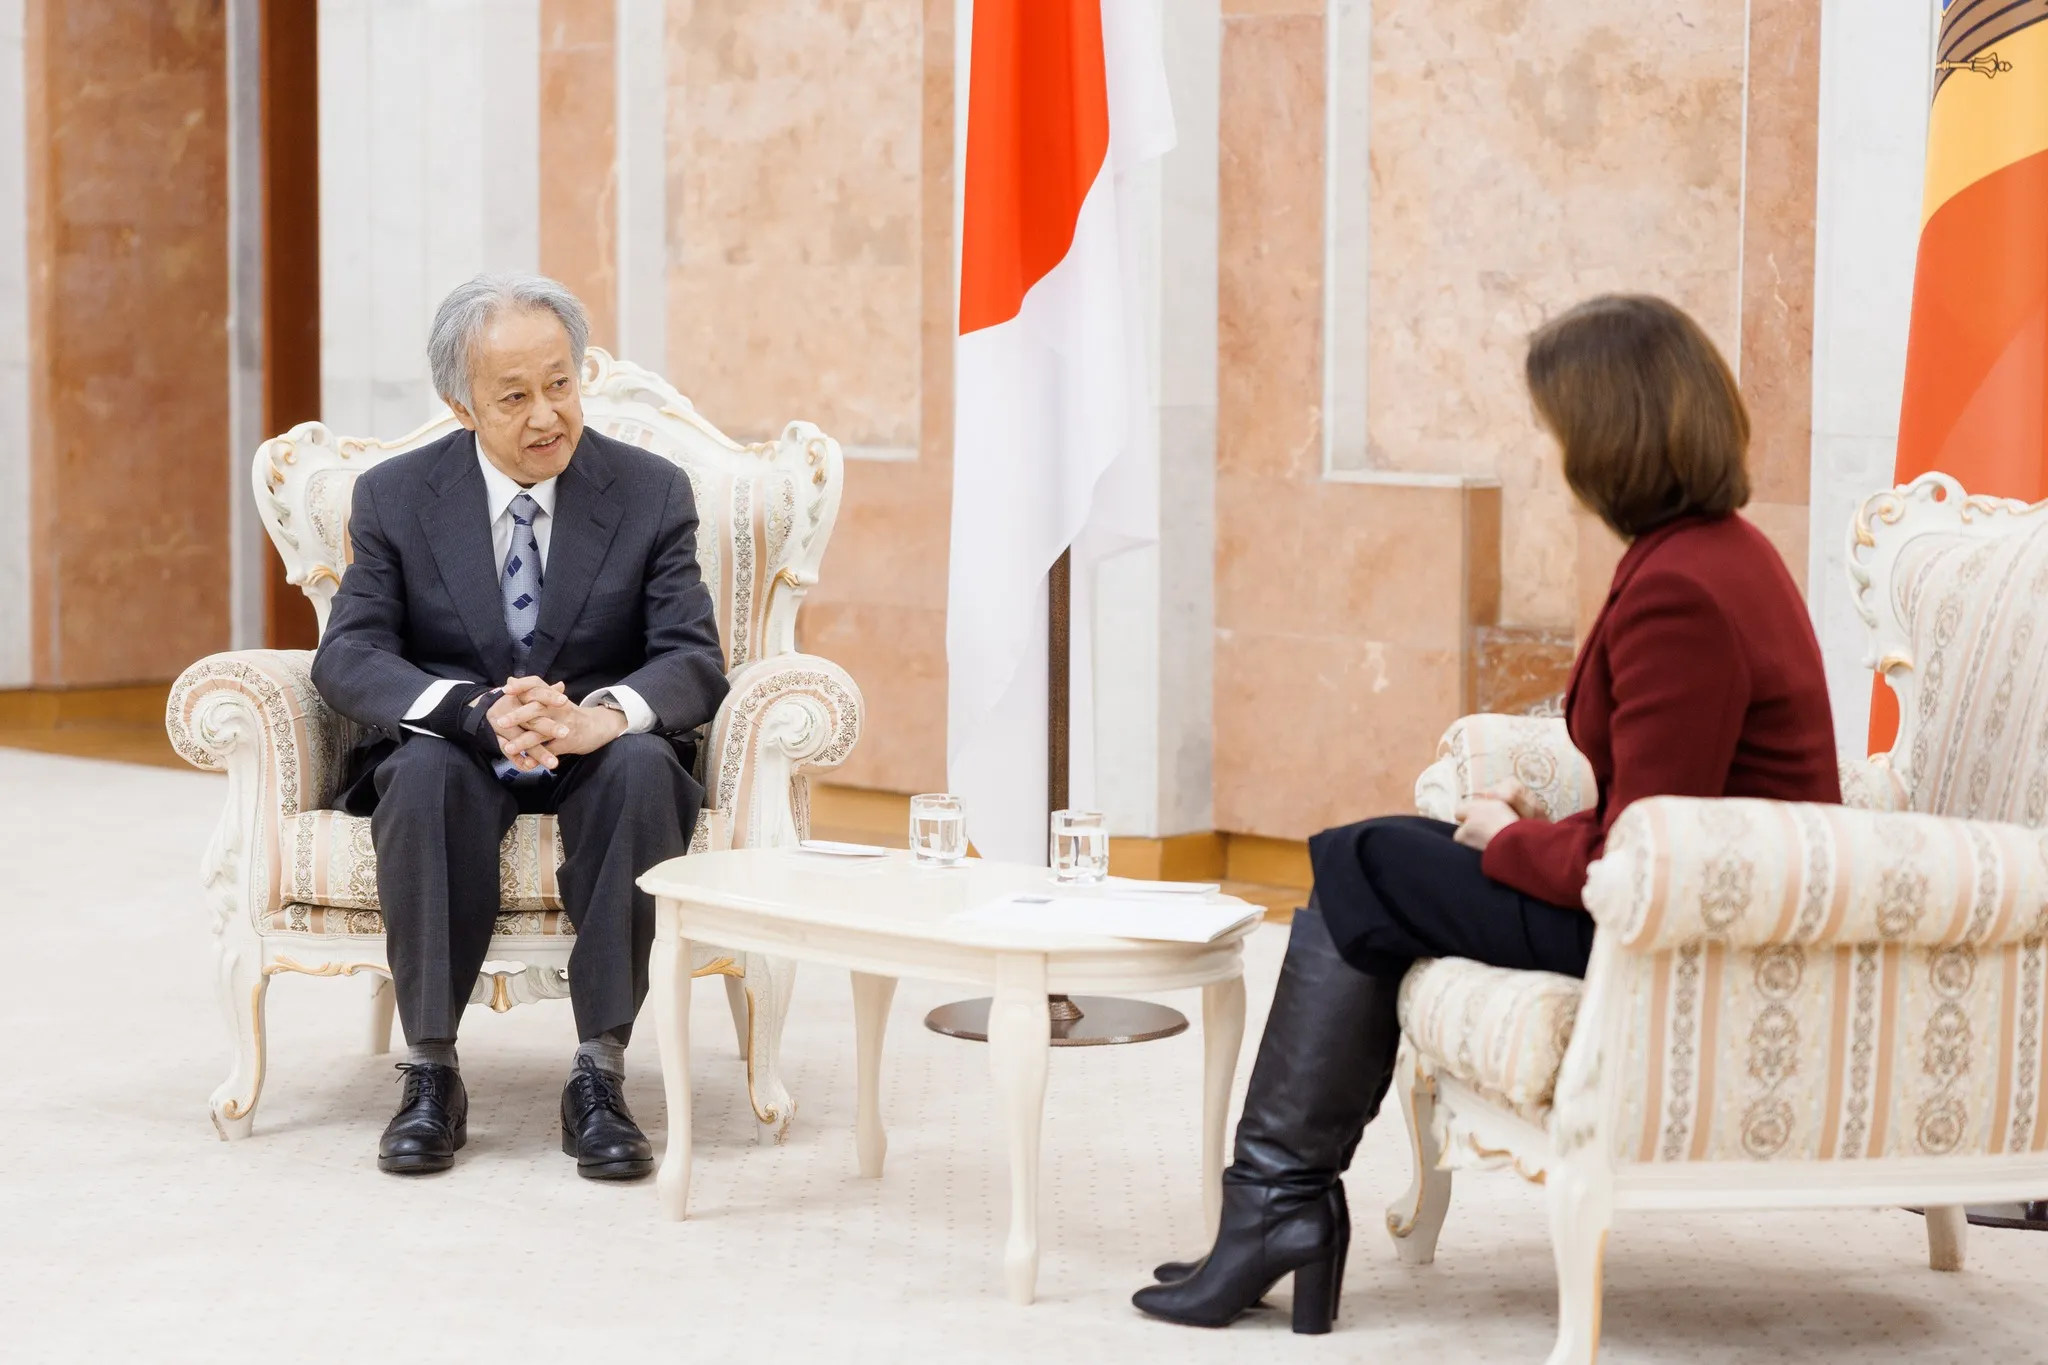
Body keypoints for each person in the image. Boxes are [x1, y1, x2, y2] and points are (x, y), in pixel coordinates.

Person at [1133, 294, 1842, 1332]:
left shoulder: (1680, 589)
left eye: (1555, 428)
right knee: (1370, 864)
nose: (1549, 454)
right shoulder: (1712, 552)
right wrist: (1526, 827)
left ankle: (1278, 1207)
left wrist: (1511, 840)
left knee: (1362, 863)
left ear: (1609, 435)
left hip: (1681, 935)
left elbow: (1646, 857)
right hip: (1687, 901)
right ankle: (1276, 1205)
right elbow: (1667, 804)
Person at [311, 273, 729, 1180]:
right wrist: (468, 711)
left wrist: (602, 718)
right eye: (513, 397)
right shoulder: (395, 497)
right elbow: (348, 655)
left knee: (643, 768)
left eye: (561, 384)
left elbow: (693, 658)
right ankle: (430, 1071)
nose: (547, 415)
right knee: (421, 775)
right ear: (461, 405)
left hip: (594, 748)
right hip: (459, 746)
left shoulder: (652, 492)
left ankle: (600, 1074)